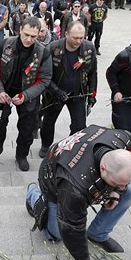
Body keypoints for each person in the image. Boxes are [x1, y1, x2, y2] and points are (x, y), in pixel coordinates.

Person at [25, 125, 131, 260]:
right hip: (55, 182)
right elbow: (73, 225)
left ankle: (98, 233)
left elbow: (124, 173)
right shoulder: (74, 187)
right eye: (117, 184)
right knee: (55, 235)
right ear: (103, 168)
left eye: (122, 184)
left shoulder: (123, 139)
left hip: (79, 171)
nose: (122, 187)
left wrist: (116, 192)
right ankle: (33, 194)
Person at [0, 17, 52, 171]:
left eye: (33, 36)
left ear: (39, 35)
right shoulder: (4, 44)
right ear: (20, 29)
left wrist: (26, 96)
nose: (29, 39)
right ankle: (0, 139)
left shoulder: (43, 52)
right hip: (4, 90)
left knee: (27, 128)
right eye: (26, 34)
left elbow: (44, 79)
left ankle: (21, 155)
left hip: (28, 94)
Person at [39, 21, 97, 158]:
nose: (78, 41)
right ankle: (46, 145)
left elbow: (92, 73)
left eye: (81, 37)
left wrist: (92, 94)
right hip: (55, 94)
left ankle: (72, 146)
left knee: (79, 125)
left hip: (78, 93)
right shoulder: (53, 48)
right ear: (66, 34)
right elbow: (44, 75)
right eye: (75, 38)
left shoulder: (89, 48)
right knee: (48, 121)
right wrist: (56, 91)